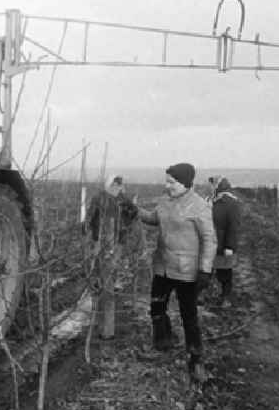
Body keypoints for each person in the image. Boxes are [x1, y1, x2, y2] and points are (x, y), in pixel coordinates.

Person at [128, 163, 217, 383]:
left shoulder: (199, 206)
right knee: (156, 308)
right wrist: (136, 212)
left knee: (189, 316)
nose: (167, 186)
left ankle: (195, 360)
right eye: (166, 181)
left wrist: (205, 269)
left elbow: (209, 239)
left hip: (187, 271)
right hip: (163, 267)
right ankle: (163, 342)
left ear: (186, 183)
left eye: (172, 182)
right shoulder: (165, 202)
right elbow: (154, 219)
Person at [84, 174, 138, 339]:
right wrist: (91, 244)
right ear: (108, 185)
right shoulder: (99, 199)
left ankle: (107, 331)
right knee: (97, 285)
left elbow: (133, 216)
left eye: (119, 185)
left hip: (114, 249)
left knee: (107, 287)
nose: (117, 187)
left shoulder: (123, 202)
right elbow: (88, 222)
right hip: (99, 247)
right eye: (114, 184)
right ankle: (99, 324)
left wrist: (121, 241)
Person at [211, 177, 241, 306]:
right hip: (211, 243)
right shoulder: (213, 201)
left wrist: (229, 246)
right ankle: (200, 295)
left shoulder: (231, 203)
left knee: (224, 273)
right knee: (206, 271)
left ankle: (225, 297)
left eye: (213, 184)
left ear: (219, 186)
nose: (211, 186)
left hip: (223, 245)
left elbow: (233, 226)